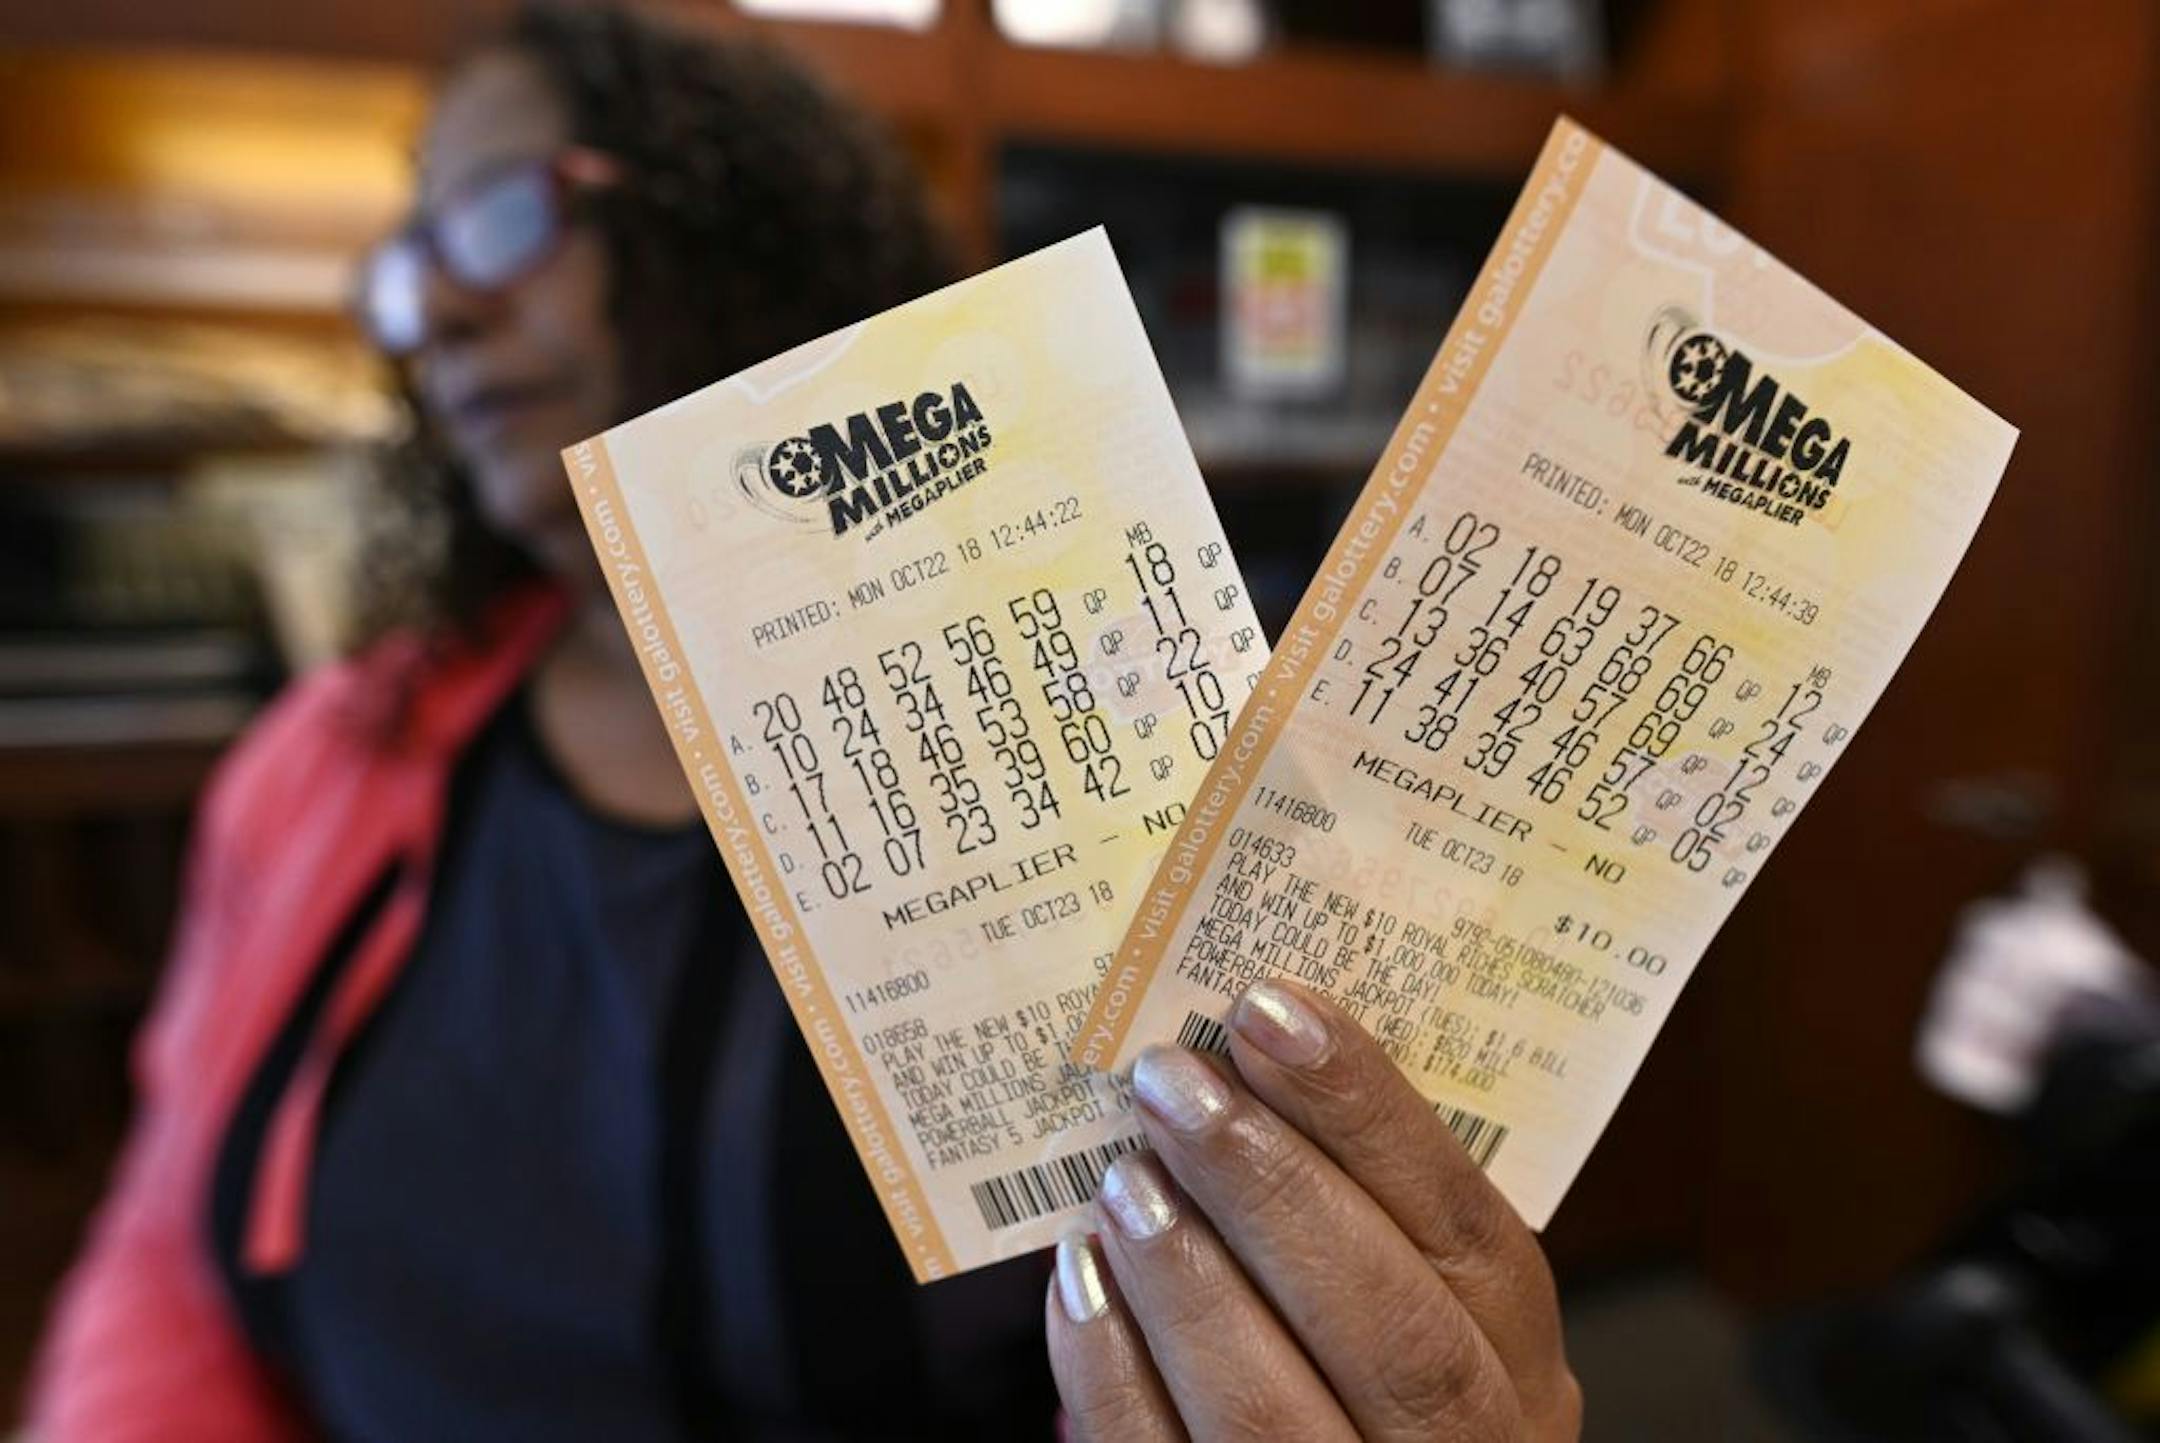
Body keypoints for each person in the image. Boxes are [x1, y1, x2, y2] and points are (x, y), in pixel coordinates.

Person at [25, 5, 1578, 1438]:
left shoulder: (1079, 741)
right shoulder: (323, 758)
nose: (431, 306)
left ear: (731, 229)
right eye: (407, 254)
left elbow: (1241, 1316)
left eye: (500, 217)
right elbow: (168, 1251)